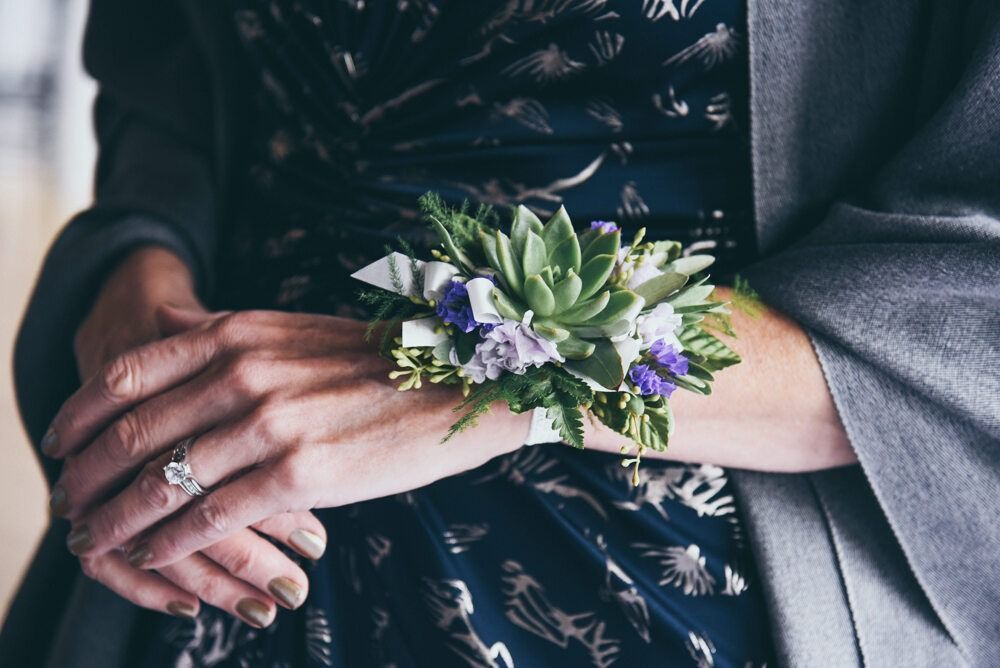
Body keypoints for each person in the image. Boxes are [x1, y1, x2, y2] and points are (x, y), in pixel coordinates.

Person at [5, 1, 999, 666]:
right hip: (190, 570)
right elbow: (174, 81)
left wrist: (479, 367)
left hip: (642, 602)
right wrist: (139, 271)